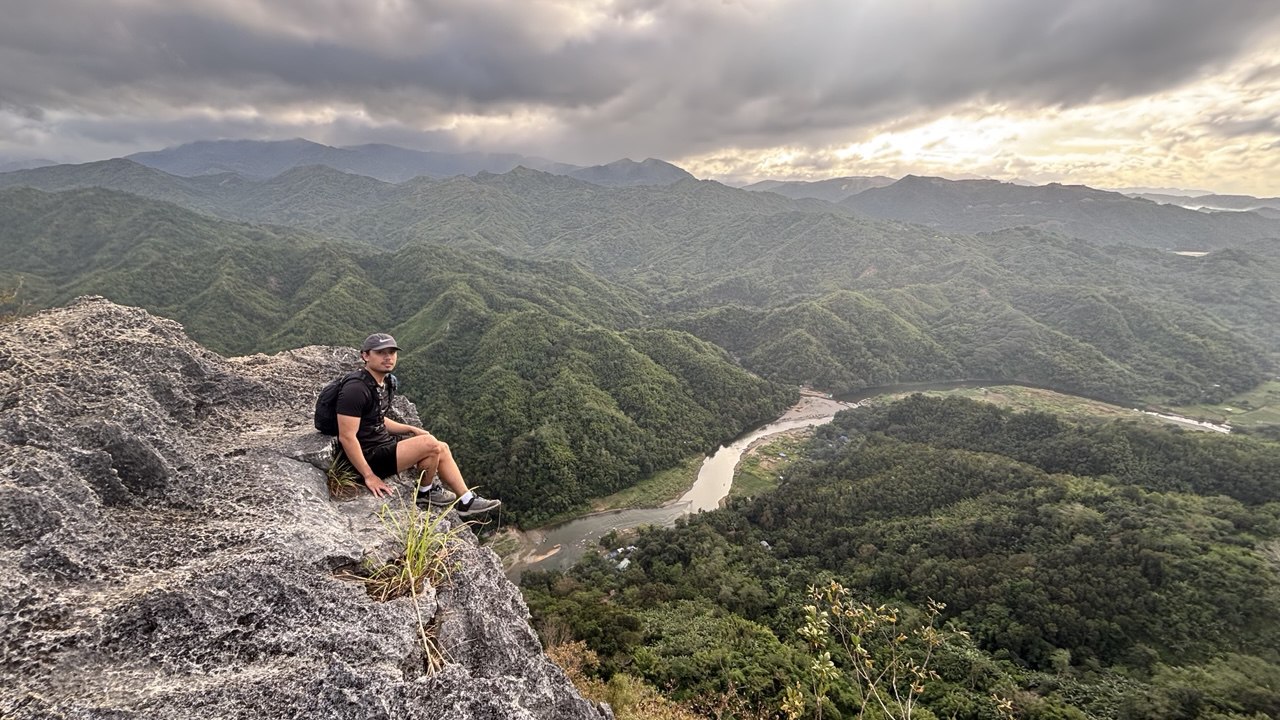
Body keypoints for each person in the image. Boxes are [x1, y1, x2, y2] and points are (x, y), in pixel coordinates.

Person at [335, 333, 501, 516]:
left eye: (392, 352)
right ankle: (425, 492)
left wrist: (410, 428)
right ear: (365, 356)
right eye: (381, 352)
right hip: (368, 457)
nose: (388, 357)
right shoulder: (355, 389)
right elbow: (347, 436)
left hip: (382, 448)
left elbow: (377, 418)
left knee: (441, 447)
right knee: (430, 445)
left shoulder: (383, 383)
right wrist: (369, 476)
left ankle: (466, 500)